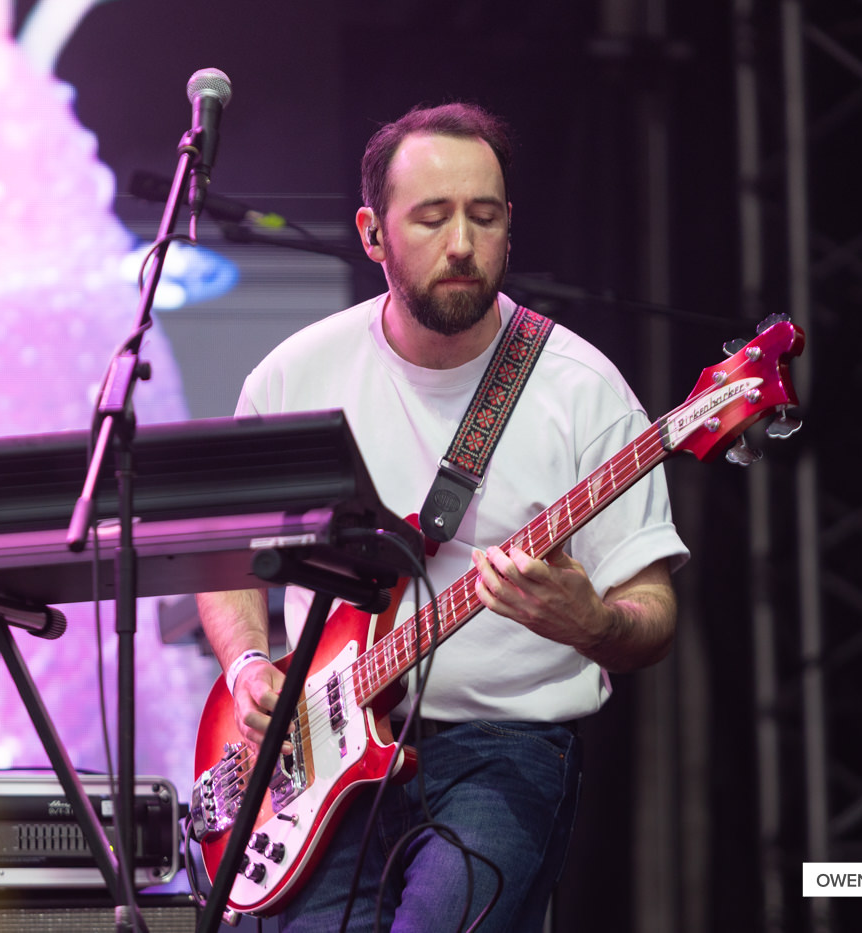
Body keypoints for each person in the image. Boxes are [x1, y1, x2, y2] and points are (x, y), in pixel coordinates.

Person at [195, 101, 688, 932]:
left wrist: (592, 620)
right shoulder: (293, 377)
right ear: (371, 232)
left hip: (505, 751)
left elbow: (655, 615)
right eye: (432, 217)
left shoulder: (582, 389)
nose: (462, 243)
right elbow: (227, 557)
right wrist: (247, 665)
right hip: (317, 751)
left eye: (484, 217)